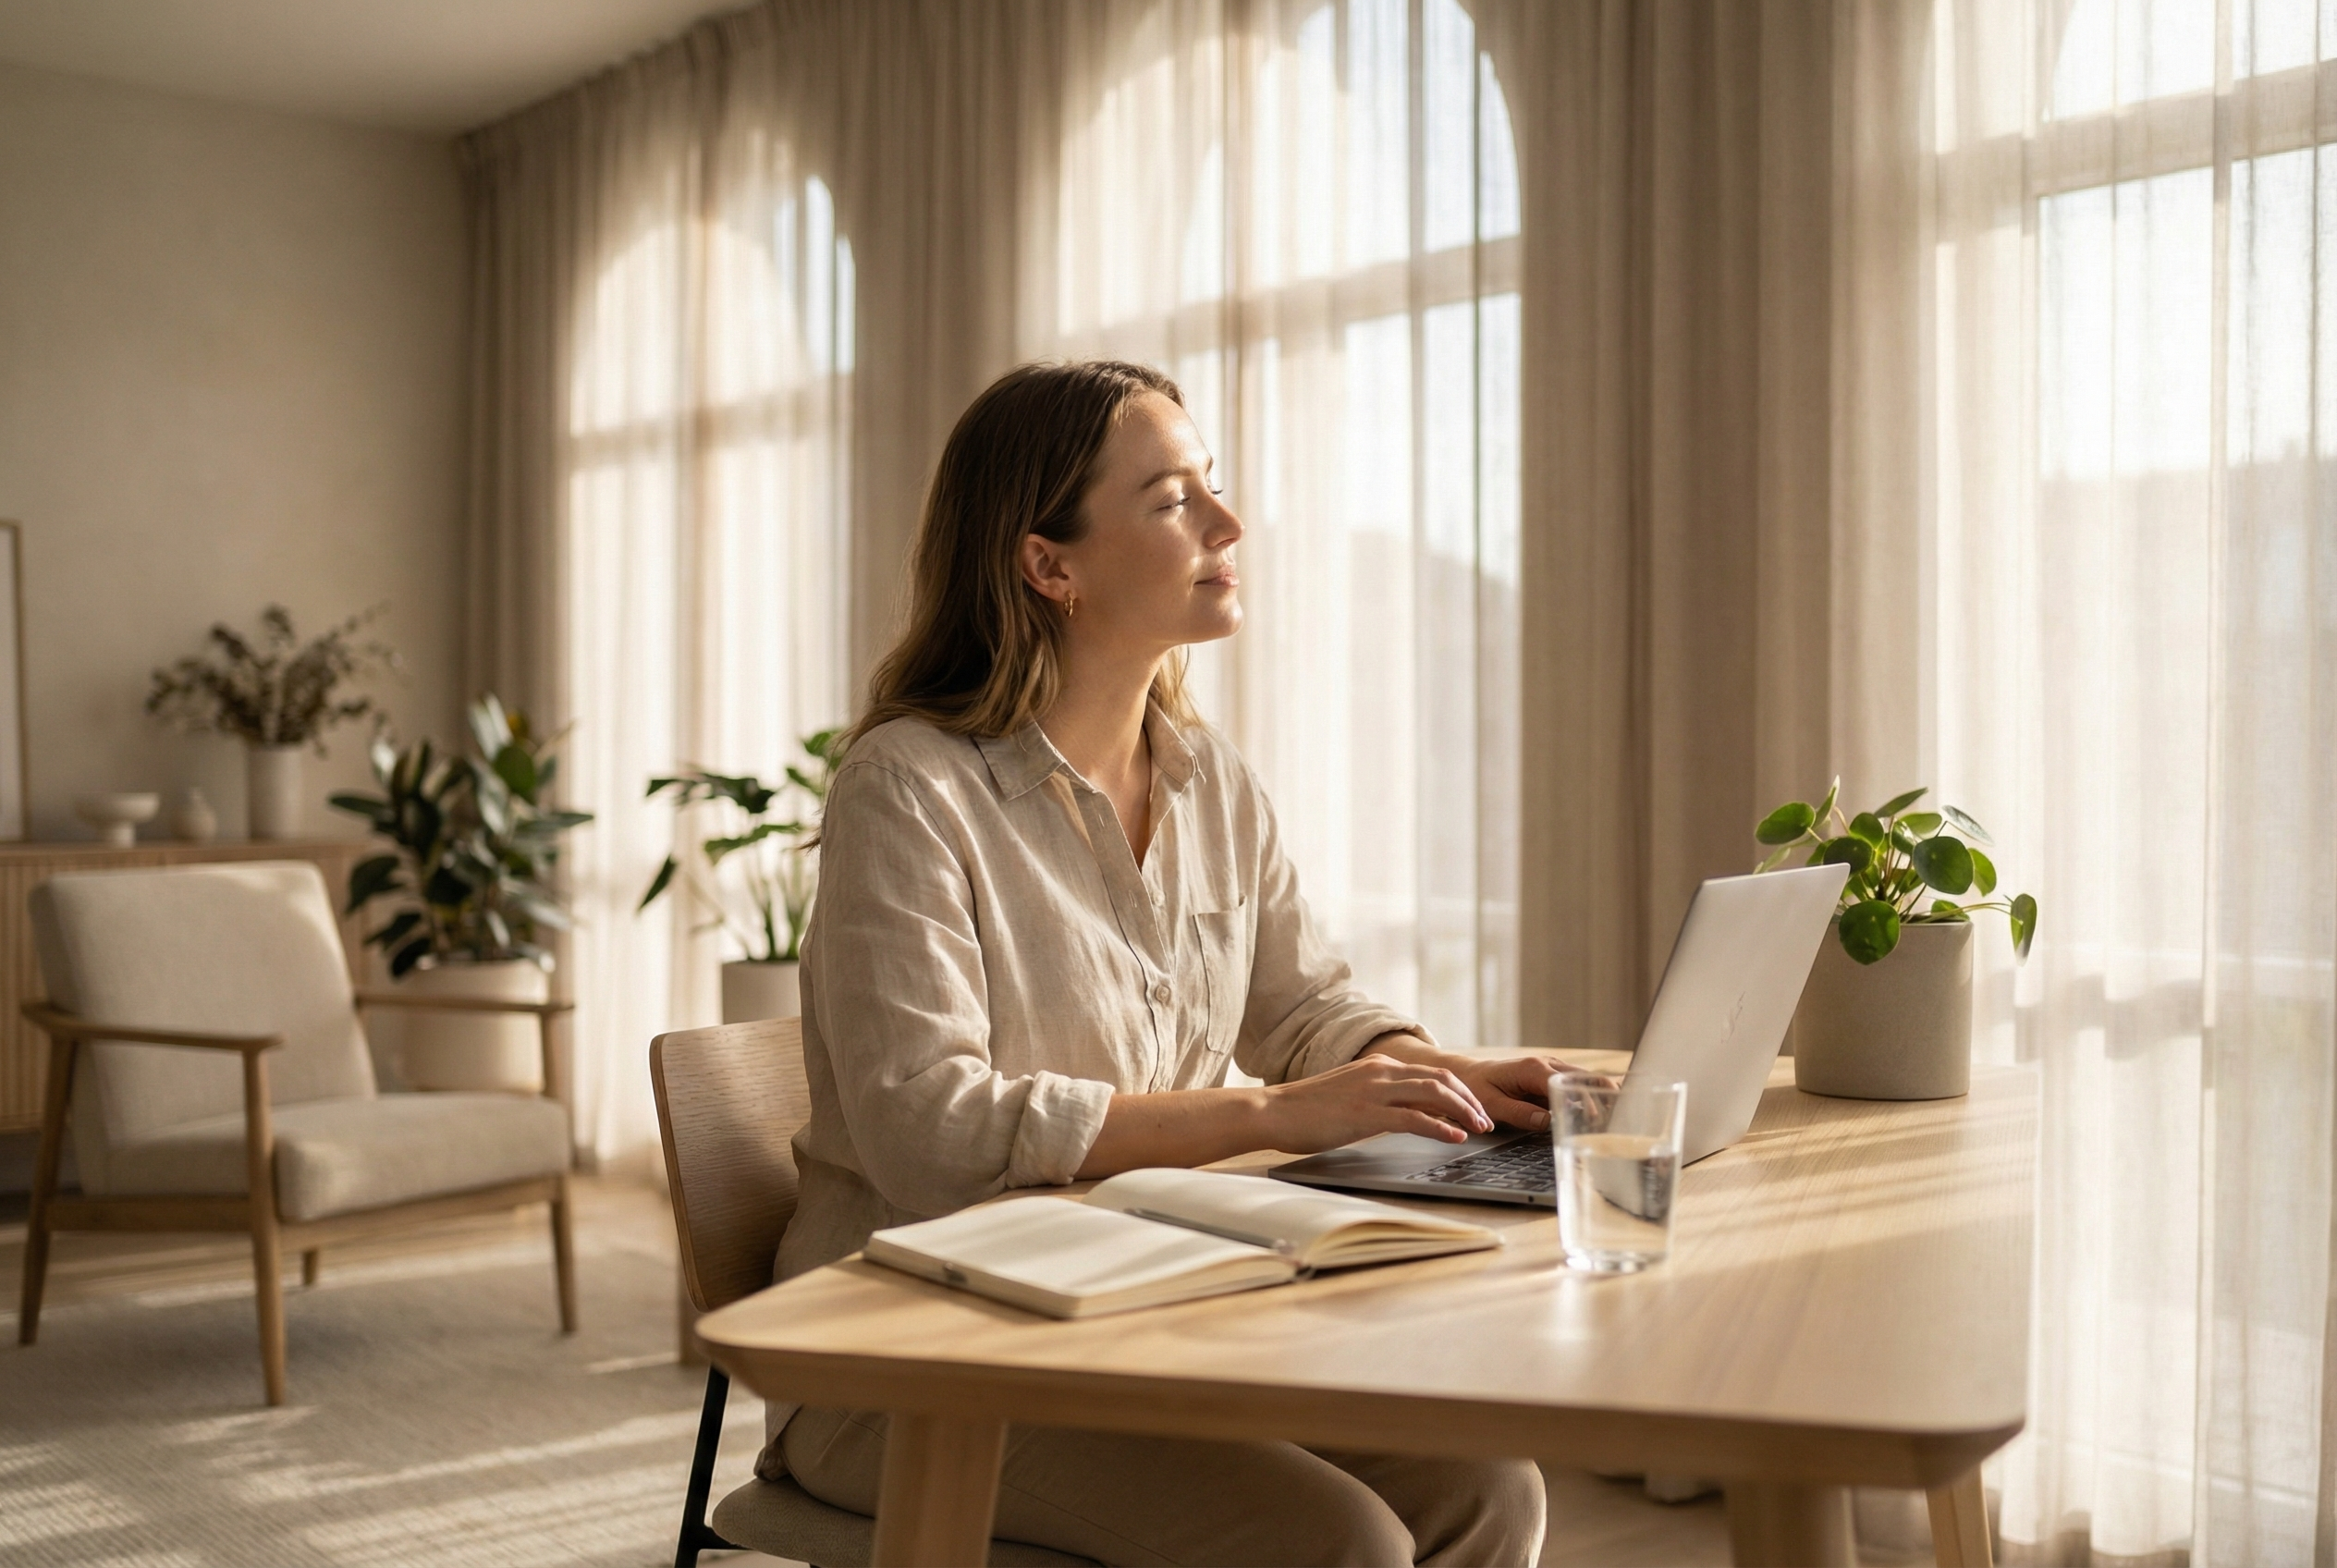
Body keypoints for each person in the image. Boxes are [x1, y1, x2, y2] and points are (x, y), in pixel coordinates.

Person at [764, 359, 1572, 1566]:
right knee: (1335, 1544)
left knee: (1488, 1491)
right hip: (914, 1347)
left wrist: (1436, 1073)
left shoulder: (1211, 781)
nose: (1227, 523)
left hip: (1143, 1309)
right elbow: (925, 1131)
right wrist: (1271, 1112)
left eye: (1215, 488)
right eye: (1172, 499)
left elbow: (1306, 1008)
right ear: (1051, 565)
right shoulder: (908, 790)